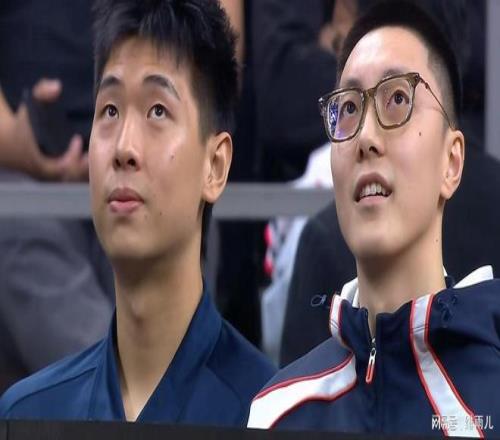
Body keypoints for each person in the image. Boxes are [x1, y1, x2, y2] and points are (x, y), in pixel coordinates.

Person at [0, 0, 275, 425]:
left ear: (215, 165)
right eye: (109, 111)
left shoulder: (272, 413)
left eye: (157, 111)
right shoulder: (28, 414)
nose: (124, 147)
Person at [247, 1, 500, 435]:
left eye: (397, 98)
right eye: (348, 108)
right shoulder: (277, 414)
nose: (366, 137)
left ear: (452, 161)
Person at [0, 0, 114, 393]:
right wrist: (15, 143)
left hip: (146, 156)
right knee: (18, 221)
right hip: (19, 171)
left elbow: (219, 59)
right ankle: (119, 399)